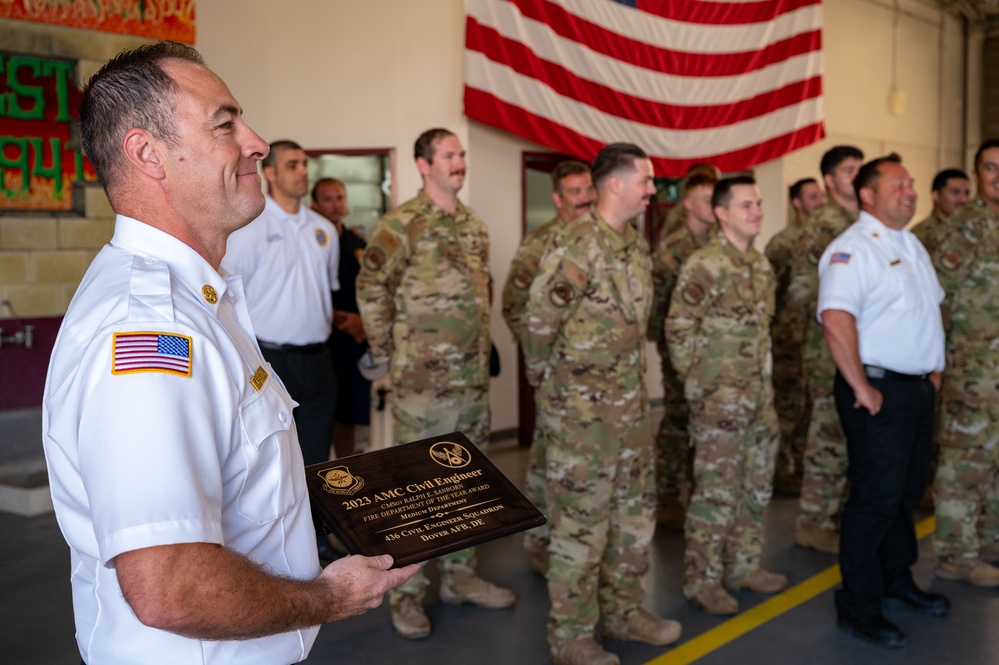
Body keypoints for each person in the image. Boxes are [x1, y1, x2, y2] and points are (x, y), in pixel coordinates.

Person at [41, 42, 417, 664]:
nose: (258, 142)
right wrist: (329, 596)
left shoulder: (200, 302)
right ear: (148, 154)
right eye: (225, 124)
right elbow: (171, 589)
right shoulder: (152, 335)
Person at [522, 143, 682, 665]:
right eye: (646, 180)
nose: (652, 190)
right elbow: (538, 326)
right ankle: (570, 635)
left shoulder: (634, 246)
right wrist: (557, 393)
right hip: (582, 420)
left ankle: (624, 612)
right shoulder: (576, 245)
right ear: (614, 183)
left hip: (631, 414)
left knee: (633, 519)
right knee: (580, 527)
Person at [356, 128, 515, 639]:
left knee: (470, 483)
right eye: (449, 155)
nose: (459, 161)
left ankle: (460, 578)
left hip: (469, 383)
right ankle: (406, 594)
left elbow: (480, 290)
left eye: (461, 154)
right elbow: (372, 284)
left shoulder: (472, 224)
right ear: (424, 165)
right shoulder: (401, 223)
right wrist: (386, 351)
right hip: (422, 387)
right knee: (415, 495)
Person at [819, 154, 949, 648]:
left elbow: (927, 312)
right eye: (898, 184)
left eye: (911, 183)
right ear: (868, 194)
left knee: (903, 495)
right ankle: (858, 605)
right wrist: (861, 386)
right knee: (874, 501)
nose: (910, 191)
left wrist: (930, 374)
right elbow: (836, 319)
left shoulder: (911, 244)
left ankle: (897, 582)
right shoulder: (851, 249)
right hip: (877, 392)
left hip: (913, 390)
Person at [666, 175, 787, 616]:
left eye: (758, 203)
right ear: (721, 213)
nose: (756, 211)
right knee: (716, 491)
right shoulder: (706, 264)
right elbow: (678, 327)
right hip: (720, 400)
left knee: (756, 486)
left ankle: (744, 566)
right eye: (746, 206)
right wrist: (700, 389)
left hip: (759, 397)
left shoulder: (760, 266)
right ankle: (703, 579)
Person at [224, 139, 342, 563]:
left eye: (305, 164)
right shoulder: (248, 230)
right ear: (269, 173)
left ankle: (320, 538)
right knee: (275, 460)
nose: (302, 172)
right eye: (292, 165)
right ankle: (279, 547)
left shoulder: (324, 231)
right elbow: (231, 300)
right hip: (273, 361)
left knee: (317, 456)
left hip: (320, 359)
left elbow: (324, 294)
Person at [501, 159, 595, 574]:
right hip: (557, 374)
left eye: (588, 190)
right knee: (547, 458)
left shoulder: (599, 239)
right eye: (575, 192)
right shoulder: (540, 243)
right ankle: (542, 541)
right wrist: (542, 361)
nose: (585, 199)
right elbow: (513, 305)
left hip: (595, 379)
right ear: (558, 198)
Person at [928, 140, 999, 587]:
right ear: (976, 175)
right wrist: (937, 363)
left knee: (990, 462)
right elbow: (936, 297)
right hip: (970, 370)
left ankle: (985, 540)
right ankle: (955, 554)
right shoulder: (966, 228)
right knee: (963, 462)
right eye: (991, 168)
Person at [790, 145, 865, 554]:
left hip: (853, 345)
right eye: (848, 170)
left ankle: (832, 514)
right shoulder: (825, 226)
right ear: (830, 181)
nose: (855, 176)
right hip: (827, 348)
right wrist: (812, 350)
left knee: (847, 435)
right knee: (828, 436)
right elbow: (804, 293)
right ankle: (813, 521)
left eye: (859, 169)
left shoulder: (858, 223)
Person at [647, 170, 717, 529]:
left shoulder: (720, 243)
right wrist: (667, 348)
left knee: (705, 422)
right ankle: (668, 494)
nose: (714, 206)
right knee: (677, 420)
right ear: (689, 204)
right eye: (707, 199)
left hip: (715, 352)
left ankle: (698, 489)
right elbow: (656, 302)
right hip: (680, 350)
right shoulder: (674, 249)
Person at [767, 178, 827, 493]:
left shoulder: (829, 235)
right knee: (787, 406)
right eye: (812, 197)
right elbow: (768, 290)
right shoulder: (782, 243)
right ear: (797, 203)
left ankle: (803, 466)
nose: (819, 202)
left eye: (821, 196)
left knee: (810, 406)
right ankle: (778, 468)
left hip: (819, 340)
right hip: (787, 339)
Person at [311, 177, 371, 459]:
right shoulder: (310, 243)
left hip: (356, 339)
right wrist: (338, 318)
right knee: (323, 415)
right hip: (324, 340)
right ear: (314, 204)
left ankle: (348, 470)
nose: (336, 205)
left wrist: (365, 324)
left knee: (349, 414)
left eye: (339, 198)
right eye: (328, 199)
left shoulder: (357, 243)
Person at [911, 168, 971, 253]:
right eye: (955, 192)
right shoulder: (919, 236)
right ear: (936, 195)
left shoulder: (973, 230)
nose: (964, 199)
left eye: (967, 193)